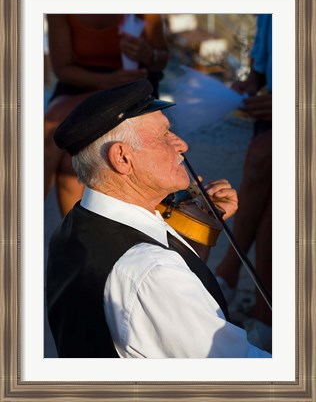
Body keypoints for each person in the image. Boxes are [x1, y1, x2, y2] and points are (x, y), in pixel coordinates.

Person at [46, 78, 271, 358]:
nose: (182, 145)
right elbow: (243, 371)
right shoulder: (152, 273)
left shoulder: (76, 224)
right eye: (165, 135)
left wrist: (202, 229)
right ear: (122, 158)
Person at [44, 14, 168, 216]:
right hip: (82, 82)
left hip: (133, 85)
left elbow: (161, 58)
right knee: (51, 132)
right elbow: (63, 69)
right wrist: (108, 81)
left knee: (68, 157)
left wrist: (148, 54)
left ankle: (72, 239)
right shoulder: (61, 5)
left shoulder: (142, 2)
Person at [215, 14, 272, 351]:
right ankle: (265, 313)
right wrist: (250, 83)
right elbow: (262, 61)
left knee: (263, 156)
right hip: (271, 112)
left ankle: (229, 269)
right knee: (271, 194)